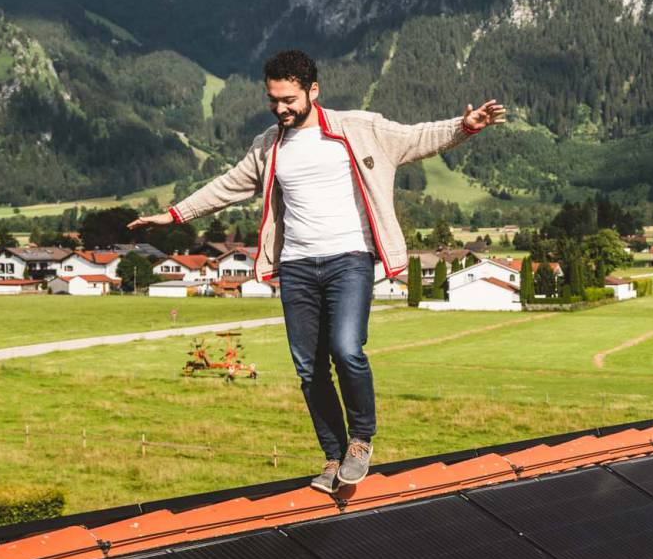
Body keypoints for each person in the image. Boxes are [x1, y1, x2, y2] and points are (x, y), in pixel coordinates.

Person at [131, 49, 506, 493]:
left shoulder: (359, 128)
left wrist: (465, 127)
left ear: (313, 90)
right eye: (273, 100)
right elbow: (226, 187)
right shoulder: (268, 146)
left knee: (347, 349)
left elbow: (417, 137)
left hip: (350, 259)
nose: (280, 108)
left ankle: (361, 439)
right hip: (297, 266)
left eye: (288, 99)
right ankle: (333, 455)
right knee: (309, 368)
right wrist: (174, 215)